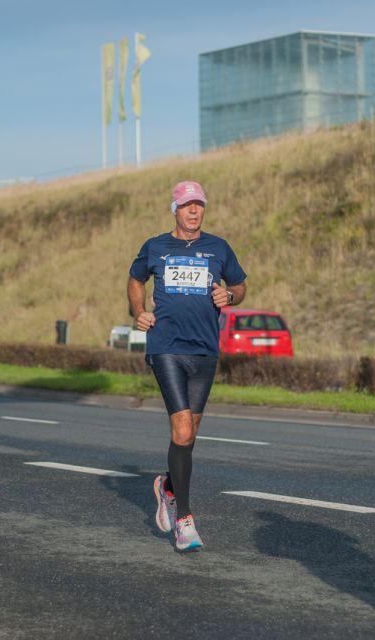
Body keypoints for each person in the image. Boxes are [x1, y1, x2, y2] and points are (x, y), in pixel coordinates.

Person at [127, 180, 247, 551]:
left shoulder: (218, 248)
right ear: (174, 209)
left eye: (199, 205)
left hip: (205, 349)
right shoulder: (155, 247)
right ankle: (184, 519)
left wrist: (229, 295)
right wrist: (139, 311)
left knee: (189, 434)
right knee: (180, 430)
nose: (193, 211)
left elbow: (241, 286)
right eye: (186, 205)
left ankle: (166, 486)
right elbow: (135, 279)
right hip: (166, 347)